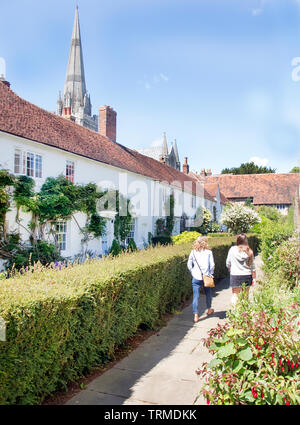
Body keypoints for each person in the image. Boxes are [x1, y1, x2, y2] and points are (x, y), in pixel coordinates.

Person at [187, 236, 215, 323]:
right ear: (205, 243)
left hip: (196, 277)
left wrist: (192, 271)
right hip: (206, 276)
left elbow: (189, 264)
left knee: (196, 296)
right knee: (208, 293)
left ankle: (196, 315)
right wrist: (210, 273)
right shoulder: (209, 252)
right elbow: (212, 265)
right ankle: (209, 309)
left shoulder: (193, 252)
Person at [226, 233, 256, 305]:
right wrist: (254, 278)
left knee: (235, 295)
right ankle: (244, 313)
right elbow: (252, 266)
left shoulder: (232, 249)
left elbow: (228, 262)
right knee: (245, 295)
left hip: (235, 275)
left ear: (237, 241)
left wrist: (229, 268)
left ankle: (235, 311)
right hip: (247, 275)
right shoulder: (249, 251)